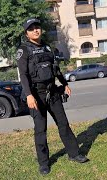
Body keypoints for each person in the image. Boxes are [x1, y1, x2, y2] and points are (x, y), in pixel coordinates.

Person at [17, 18, 89, 175]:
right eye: (31, 29)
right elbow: (23, 75)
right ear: (26, 33)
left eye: (37, 27)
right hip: (36, 95)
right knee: (40, 130)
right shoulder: (24, 50)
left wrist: (64, 84)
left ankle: (74, 154)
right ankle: (44, 163)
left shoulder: (48, 48)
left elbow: (55, 69)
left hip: (53, 92)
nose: (36, 30)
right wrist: (29, 95)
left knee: (63, 124)